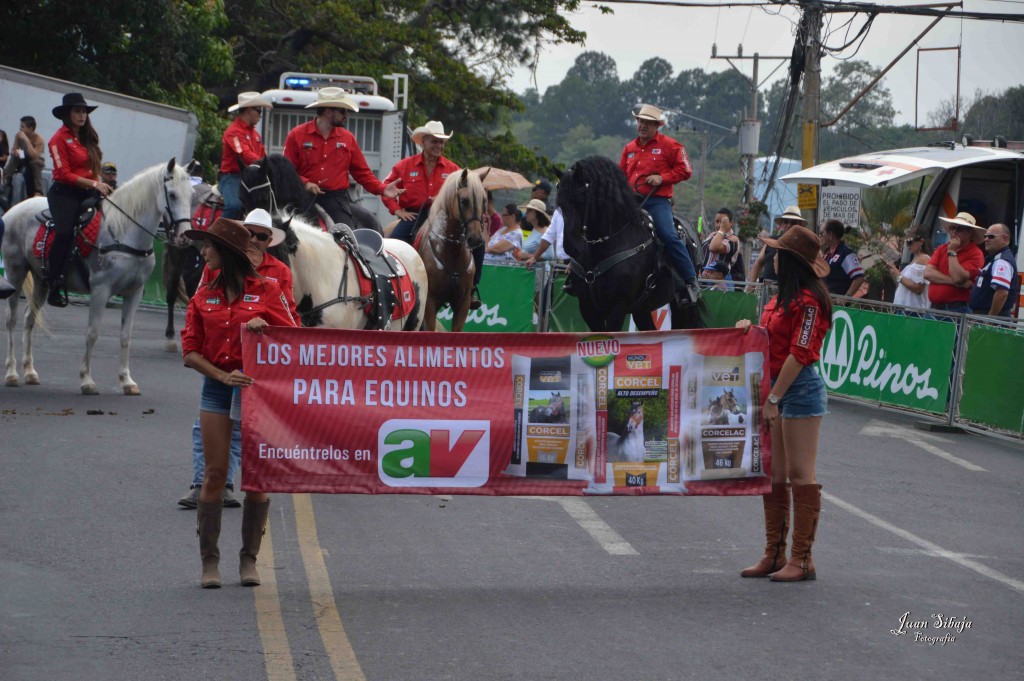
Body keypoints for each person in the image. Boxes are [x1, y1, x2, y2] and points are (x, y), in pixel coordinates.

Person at [180, 217, 298, 588]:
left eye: (209, 247)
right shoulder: (203, 295)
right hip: (217, 388)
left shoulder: (267, 289)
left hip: (257, 389)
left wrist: (269, 331)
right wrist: (221, 376)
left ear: (226, 252)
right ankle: (209, 563)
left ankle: (249, 560)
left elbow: (294, 336)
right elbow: (189, 352)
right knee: (215, 475)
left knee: (257, 479)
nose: (203, 253)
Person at [736, 225, 832, 582]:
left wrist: (774, 398)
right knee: (775, 475)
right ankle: (774, 553)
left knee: (800, 474)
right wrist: (749, 329)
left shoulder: (809, 302)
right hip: (777, 387)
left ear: (789, 261)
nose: (772, 259)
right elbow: (771, 342)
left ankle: (802, 558)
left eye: (777, 254)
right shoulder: (781, 298)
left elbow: (800, 354)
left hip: (799, 390)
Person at [283, 87, 402, 228]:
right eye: (342, 111)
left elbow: (362, 173)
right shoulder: (297, 135)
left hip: (336, 199)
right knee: (291, 233)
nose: (346, 115)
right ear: (328, 112)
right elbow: (286, 170)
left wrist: (382, 189)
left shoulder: (347, 138)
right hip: (303, 197)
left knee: (348, 236)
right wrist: (305, 183)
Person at [619, 103, 698, 290]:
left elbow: (686, 170)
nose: (643, 126)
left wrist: (662, 178)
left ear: (657, 126)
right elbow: (620, 175)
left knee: (668, 235)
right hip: (631, 202)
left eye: (648, 123)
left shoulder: (671, 146)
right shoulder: (629, 148)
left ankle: (690, 280)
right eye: (640, 121)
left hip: (657, 201)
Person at [45, 93, 113, 307]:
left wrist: (101, 184)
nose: (82, 115)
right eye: (77, 111)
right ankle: (54, 282)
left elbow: (92, 169)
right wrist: (94, 184)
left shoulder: (87, 137)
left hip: (88, 192)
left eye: (84, 111)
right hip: (64, 193)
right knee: (65, 233)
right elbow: (64, 174)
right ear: (67, 114)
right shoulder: (57, 139)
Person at [382, 120, 458, 243]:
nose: (439, 145)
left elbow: (462, 191)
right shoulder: (404, 166)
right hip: (414, 217)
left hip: (444, 217)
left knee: (477, 244)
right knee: (394, 243)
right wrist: (397, 210)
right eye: (434, 141)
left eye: (441, 142)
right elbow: (385, 188)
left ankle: (476, 263)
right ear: (423, 142)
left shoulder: (453, 169)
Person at [220, 91, 272, 219]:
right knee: (235, 206)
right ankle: (218, 234)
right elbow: (243, 154)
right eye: (259, 111)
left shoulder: (256, 135)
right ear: (249, 110)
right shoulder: (233, 132)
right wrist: (264, 164)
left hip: (251, 177)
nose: (260, 115)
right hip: (233, 177)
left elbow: (262, 155)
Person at [924, 212, 985, 314]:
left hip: (956, 310)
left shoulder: (976, 254)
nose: (954, 232)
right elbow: (928, 273)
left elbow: (958, 277)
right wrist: (955, 283)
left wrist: (952, 251)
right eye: (952, 228)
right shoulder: (941, 248)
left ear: (970, 233)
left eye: (959, 229)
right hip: (934, 308)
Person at [748, 206, 806, 290]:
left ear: (799, 225)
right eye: (786, 221)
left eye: (793, 222)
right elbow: (758, 263)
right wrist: (750, 286)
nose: (789, 225)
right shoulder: (771, 241)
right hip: (767, 293)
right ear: (781, 224)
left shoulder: (804, 245)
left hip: (791, 293)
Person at [969, 223, 1019, 318]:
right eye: (985, 236)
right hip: (982, 314)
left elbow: (1002, 292)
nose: (986, 239)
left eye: (991, 236)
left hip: (989, 317)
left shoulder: (1002, 261)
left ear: (1005, 238)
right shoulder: (994, 258)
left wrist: (990, 318)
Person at [3, 116, 46, 201]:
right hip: (23, 157)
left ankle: (38, 191)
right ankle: (6, 177)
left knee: (35, 163)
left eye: (22, 127)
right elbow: (14, 148)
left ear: (30, 128)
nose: (20, 129)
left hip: (36, 160)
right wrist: (15, 152)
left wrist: (26, 140)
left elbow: (34, 155)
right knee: (14, 158)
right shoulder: (18, 136)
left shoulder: (39, 139)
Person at [886, 233, 931, 311]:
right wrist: (893, 271)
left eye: (910, 242)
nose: (908, 246)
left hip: (913, 310)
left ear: (921, 242)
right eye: (907, 243)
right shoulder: (913, 260)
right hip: (903, 307)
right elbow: (900, 285)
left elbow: (918, 288)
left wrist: (899, 275)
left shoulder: (924, 259)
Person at [820, 219, 864, 297]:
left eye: (822, 233)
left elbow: (859, 278)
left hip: (839, 306)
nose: (820, 236)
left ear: (830, 234)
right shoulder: (827, 253)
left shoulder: (846, 253)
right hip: (826, 300)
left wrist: (845, 298)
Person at [701, 207, 742, 290]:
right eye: (717, 221)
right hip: (705, 279)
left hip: (721, 280)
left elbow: (713, 247)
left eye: (723, 222)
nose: (719, 224)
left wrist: (722, 229)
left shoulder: (733, 239)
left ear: (731, 223)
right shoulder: (712, 235)